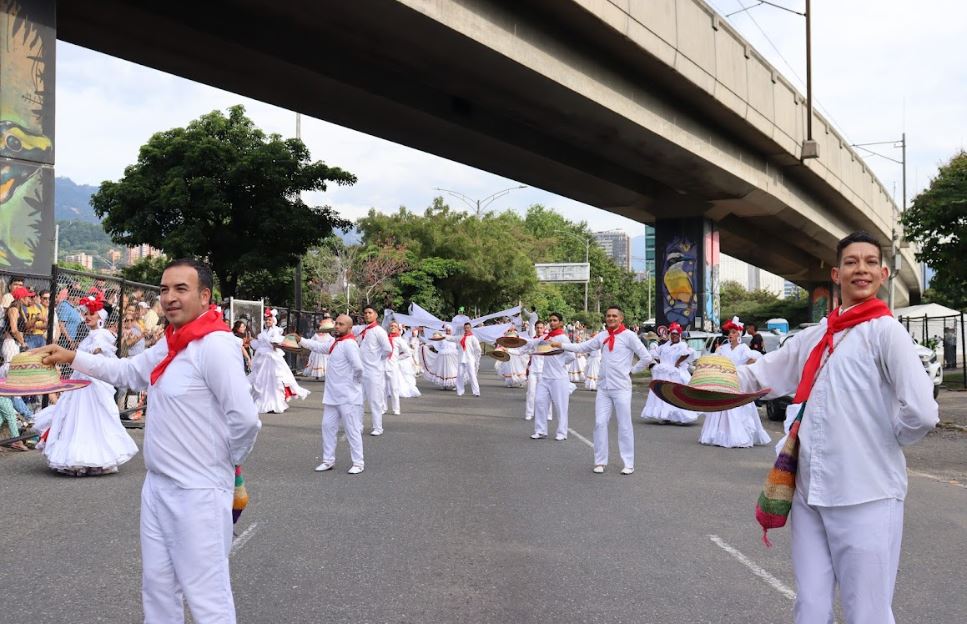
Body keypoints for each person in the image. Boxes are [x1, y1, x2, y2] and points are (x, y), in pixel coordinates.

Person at [35, 258, 261, 623]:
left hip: (198, 492)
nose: (169, 297)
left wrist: (223, 464)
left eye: (181, 289)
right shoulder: (172, 344)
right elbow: (128, 372)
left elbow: (246, 419)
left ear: (205, 297)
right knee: (157, 590)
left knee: (207, 599)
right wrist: (72, 357)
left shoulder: (216, 345)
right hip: (158, 488)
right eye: (164, 289)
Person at [738, 232, 939, 624]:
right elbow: (764, 373)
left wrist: (884, 440)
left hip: (866, 494)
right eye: (851, 262)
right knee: (810, 607)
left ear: (882, 274)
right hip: (810, 493)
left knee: (867, 612)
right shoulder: (817, 335)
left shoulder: (886, 332)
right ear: (836, 273)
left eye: (868, 262)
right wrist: (710, 381)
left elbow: (923, 411)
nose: (859, 269)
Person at [35, 292, 139, 476]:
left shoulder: (102, 335)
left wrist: (92, 353)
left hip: (92, 384)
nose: (87, 316)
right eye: (86, 312)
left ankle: (91, 459)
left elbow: (98, 354)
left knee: (90, 419)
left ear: (101, 317)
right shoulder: (92, 335)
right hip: (81, 381)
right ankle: (80, 459)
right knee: (78, 419)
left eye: (92, 313)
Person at [552, 306, 653, 474]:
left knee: (624, 425)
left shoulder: (629, 336)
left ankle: (628, 463)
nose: (611, 318)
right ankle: (600, 461)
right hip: (604, 387)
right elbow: (583, 347)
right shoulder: (603, 336)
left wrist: (632, 371)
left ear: (621, 318)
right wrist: (561, 344)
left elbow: (646, 357)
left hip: (621, 388)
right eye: (608, 316)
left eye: (614, 316)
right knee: (599, 423)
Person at [299, 314, 365, 474]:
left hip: (348, 397)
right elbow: (318, 347)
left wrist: (353, 385)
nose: (337, 326)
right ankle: (328, 460)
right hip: (332, 396)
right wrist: (301, 340)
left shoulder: (349, 344)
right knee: (327, 427)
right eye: (336, 323)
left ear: (349, 328)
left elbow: (359, 368)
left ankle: (358, 463)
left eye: (341, 324)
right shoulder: (335, 342)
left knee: (352, 430)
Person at [699, 317, 771, 448]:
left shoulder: (743, 348)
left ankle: (738, 434)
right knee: (723, 405)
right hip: (724, 381)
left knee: (737, 406)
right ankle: (719, 434)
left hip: (738, 382)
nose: (730, 335)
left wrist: (742, 370)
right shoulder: (723, 348)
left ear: (739, 333)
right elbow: (714, 362)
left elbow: (754, 359)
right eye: (729, 332)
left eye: (733, 332)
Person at [521, 312, 574, 441]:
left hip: (559, 378)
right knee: (539, 402)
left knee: (561, 406)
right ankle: (540, 431)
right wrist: (513, 343)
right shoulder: (546, 337)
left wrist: (560, 362)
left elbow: (571, 356)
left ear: (561, 323)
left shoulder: (563, 338)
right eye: (550, 320)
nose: (552, 322)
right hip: (545, 377)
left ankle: (562, 433)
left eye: (555, 320)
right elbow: (531, 344)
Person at [248, 308, 310, 414]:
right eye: (266, 320)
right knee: (261, 380)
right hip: (262, 359)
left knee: (274, 380)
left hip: (272, 358)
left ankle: (275, 402)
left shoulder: (276, 331)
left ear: (274, 321)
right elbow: (259, 344)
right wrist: (253, 342)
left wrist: (274, 343)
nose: (268, 322)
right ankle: (262, 400)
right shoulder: (263, 332)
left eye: (270, 320)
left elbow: (278, 342)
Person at [640, 323, 697, 424]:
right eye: (672, 334)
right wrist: (658, 363)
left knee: (675, 394)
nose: (674, 336)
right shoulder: (665, 345)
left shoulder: (682, 345)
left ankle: (679, 416)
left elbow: (688, 353)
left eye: (676, 334)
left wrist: (677, 363)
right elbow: (655, 354)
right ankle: (665, 416)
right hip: (663, 373)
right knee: (663, 394)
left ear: (679, 335)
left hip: (674, 373)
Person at [354, 305, 392, 435]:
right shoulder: (362, 329)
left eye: (370, 312)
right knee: (358, 401)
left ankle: (378, 427)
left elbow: (388, 349)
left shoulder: (379, 331)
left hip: (373, 372)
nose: (367, 315)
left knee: (374, 401)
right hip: (360, 371)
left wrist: (377, 360)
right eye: (365, 313)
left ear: (376, 315)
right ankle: (358, 426)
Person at [385, 320, 416, 414]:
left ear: (398, 328)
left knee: (394, 388)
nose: (392, 327)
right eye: (391, 326)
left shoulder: (399, 340)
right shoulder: (385, 339)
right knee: (383, 388)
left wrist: (397, 358)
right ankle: (383, 408)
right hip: (383, 365)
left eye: (394, 326)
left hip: (393, 365)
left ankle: (396, 409)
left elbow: (408, 352)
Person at [446, 321, 481, 397]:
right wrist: (442, 336)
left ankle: (476, 392)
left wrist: (475, 358)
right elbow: (452, 338)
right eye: (465, 328)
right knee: (460, 375)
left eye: (468, 328)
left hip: (470, 359)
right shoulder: (461, 336)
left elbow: (478, 349)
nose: (466, 329)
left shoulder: (473, 338)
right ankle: (460, 391)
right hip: (461, 358)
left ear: (470, 328)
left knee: (472, 375)